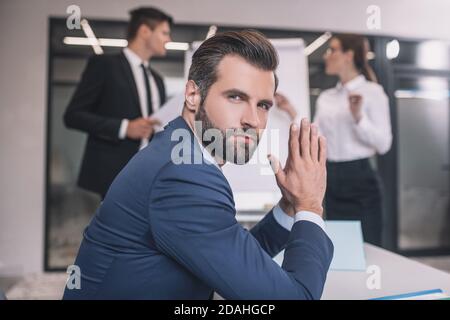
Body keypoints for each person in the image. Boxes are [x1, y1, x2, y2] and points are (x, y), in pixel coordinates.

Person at [63, 30, 333, 300]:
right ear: (193, 94)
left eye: (263, 105)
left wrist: (290, 206)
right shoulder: (183, 177)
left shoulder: (178, 153)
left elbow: (233, 259)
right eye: (236, 97)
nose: (253, 120)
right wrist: (310, 206)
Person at [276, 34, 392, 246]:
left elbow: (384, 144)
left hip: (361, 178)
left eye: (332, 50)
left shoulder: (373, 93)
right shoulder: (326, 97)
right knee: (343, 247)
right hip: (331, 177)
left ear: (348, 55)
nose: (327, 56)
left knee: (371, 247)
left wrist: (359, 117)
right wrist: (291, 110)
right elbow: (315, 134)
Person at [64, 7, 173, 199]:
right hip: (113, 174)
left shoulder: (158, 80)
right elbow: (73, 116)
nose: (168, 40)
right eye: (164, 33)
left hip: (150, 173)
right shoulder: (105, 66)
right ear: (145, 31)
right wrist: (124, 127)